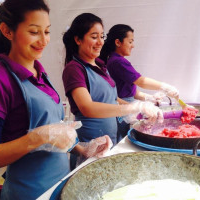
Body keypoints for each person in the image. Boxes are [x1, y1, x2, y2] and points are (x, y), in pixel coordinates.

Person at [0, 1, 111, 199]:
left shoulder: (40, 74)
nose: (43, 40)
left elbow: (52, 127)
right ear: (7, 31)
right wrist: (37, 137)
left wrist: (81, 148)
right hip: (29, 192)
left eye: (47, 31)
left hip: (60, 183)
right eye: (34, 32)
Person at [62, 13, 163, 164]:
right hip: (90, 146)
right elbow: (87, 107)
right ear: (78, 39)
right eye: (94, 36)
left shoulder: (101, 66)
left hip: (110, 140)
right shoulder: (74, 68)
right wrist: (132, 108)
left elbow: (112, 99)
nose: (100, 42)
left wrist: (137, 109)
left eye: (102, 36)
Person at [100, 24, 179, 104]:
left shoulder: (114, 60)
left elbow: (131, 92)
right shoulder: (118, 62)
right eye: (130, 42)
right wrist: (165, 87)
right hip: (124, 105)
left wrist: (150, 98)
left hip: (126, 102)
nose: (133, 46)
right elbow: (141, 82)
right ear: (118, 42)